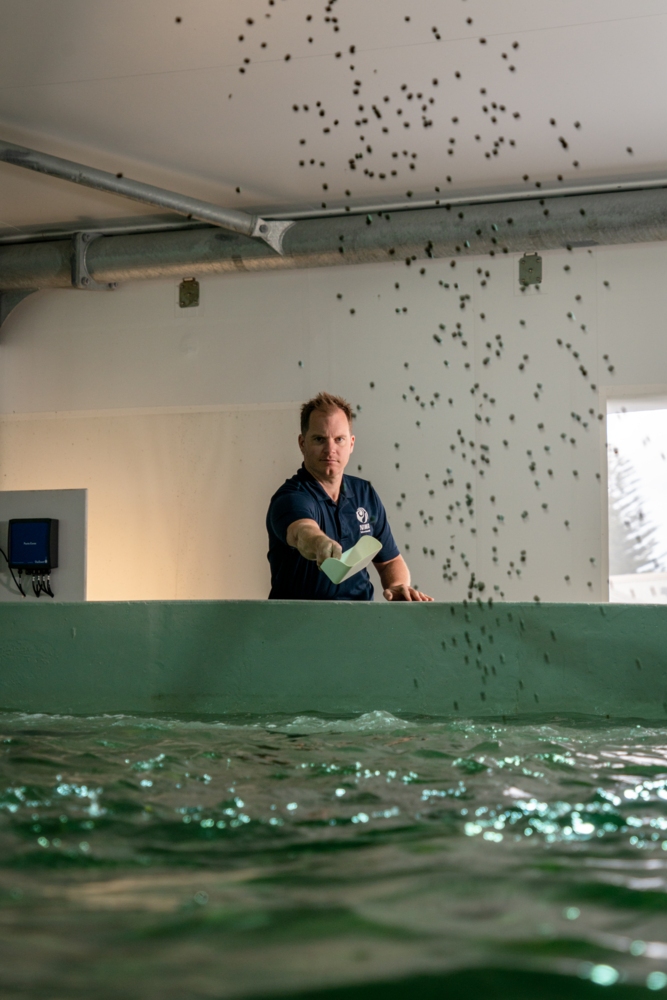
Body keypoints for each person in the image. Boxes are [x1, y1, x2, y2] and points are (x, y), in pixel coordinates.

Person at [266, 392, 433, 602]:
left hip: (360, 623)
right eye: (319, 439)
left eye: (339, 439)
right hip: (297, 627)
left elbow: (390, 561)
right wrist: (319, 543)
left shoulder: (365, 494)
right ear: (302, 443)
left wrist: (398, 586)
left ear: (351, 443)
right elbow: (302, 532)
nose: (330, 449)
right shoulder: (291, 497)